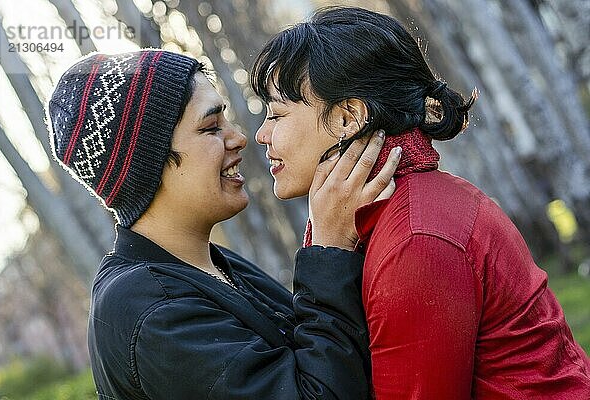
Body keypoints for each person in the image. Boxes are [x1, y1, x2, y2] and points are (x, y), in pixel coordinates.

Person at [251, 6, 590, 399]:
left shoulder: (416, 239)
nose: (261, 135)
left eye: (276, 114)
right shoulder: (398, 212)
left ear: (348, 118)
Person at [46, 49, 401, 399]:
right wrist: (330, 249)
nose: (240, 137)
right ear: (146, 161)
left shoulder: (204, 267)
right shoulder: (153, 311)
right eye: (211, 127)